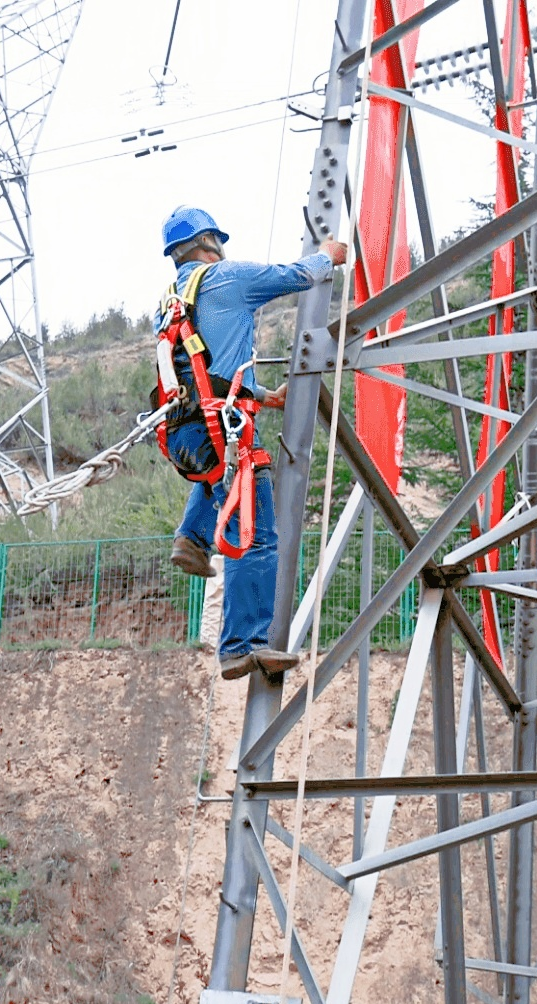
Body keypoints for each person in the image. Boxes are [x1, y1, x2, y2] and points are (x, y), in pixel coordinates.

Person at [156, 205, 349, 680]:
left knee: (220, 477)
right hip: (221, 426)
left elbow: (203, 369)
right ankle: (242, 645)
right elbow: (293, 275)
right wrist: (327, 256)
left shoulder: (172, 299)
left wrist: (262, 396)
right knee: (256, 533)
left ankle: (192, 538)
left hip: (185, 428)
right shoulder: (226, 278)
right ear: (209, 242)